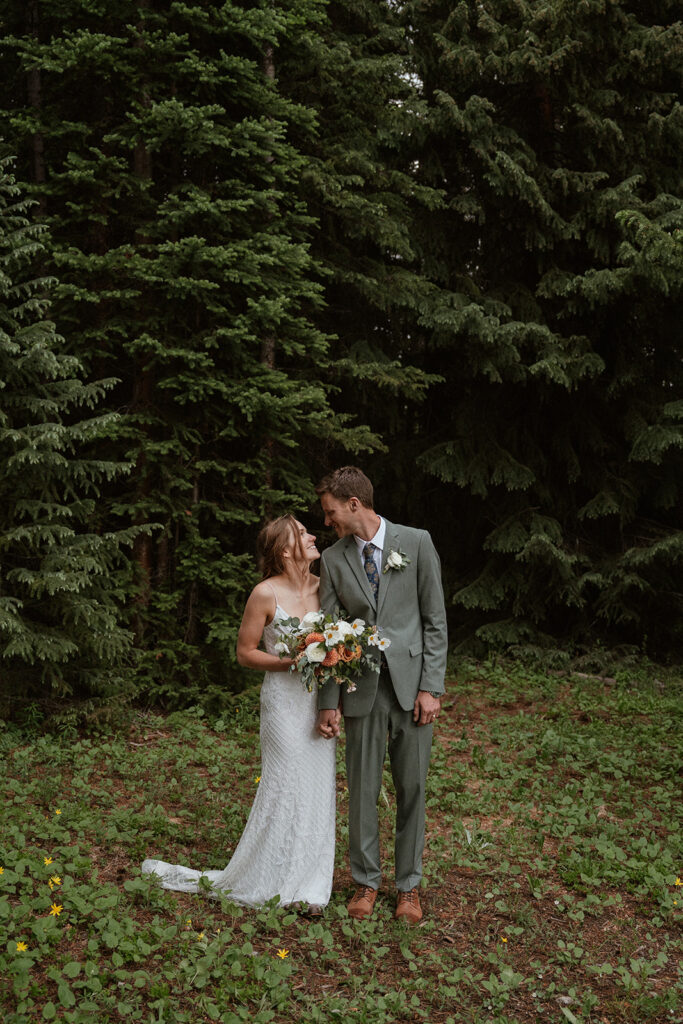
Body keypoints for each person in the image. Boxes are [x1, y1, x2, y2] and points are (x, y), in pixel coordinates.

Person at [142, 515, 337, 912]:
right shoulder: (265, 594)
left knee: (316, 788)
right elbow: (245, 652)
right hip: (283, 703)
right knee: (285, 784)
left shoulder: (326, 588)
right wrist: (290, 662)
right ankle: (268, 877)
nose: (312, 535)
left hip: (318, 701)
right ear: (285, 550)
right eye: (302, 533)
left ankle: (309, 887)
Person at [315, 467, 447, 923]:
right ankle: (365, 883)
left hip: (413, 693)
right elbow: (329, 638)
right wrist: (328, 703)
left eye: (331, 512)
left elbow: (435, 620)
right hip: (360, 692)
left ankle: (408, 888)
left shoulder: (416, 542)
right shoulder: (333, 561)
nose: (327, 521)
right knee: (363, 791)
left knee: (412, 790)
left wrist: (432, 686)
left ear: (354, 504)